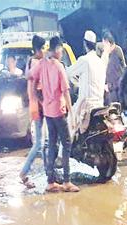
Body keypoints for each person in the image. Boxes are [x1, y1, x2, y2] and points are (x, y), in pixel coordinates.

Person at [28, 36, 79, 193]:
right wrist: (72, 113)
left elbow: (30, 77)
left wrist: (39, 99)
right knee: (67, 143)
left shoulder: (41, 63)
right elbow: (66, 91)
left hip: (48, 112)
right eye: (61, 51)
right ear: (57, 49)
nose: (62, 54)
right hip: (58, 111)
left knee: (52, 145)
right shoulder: (58, 66)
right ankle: (67, 181)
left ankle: (50, 182)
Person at [21, 35, 47, 189]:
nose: (45, 51)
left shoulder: (31, 61)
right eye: (43, 48)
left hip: (35, 106)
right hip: (38, 107)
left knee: (42, 142)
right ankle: (23, 173)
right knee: (38, 143)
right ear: (38, 49)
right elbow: (39, 89)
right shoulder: (37, 63)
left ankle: (49, 173)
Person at [67, 30, 106, 136]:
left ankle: (65, 152)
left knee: (69, 125)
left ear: (85, 44)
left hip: (86, 106)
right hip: (99, 105)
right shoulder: (101, 62)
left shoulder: (84, 60)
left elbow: (68, 73)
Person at [101, 30, 126, 105]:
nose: (103, 46)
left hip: (117, 89)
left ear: (108, 42)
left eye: (104, 44)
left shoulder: (117, 51)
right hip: (110, 89)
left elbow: (117, 72)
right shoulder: (106, 54)